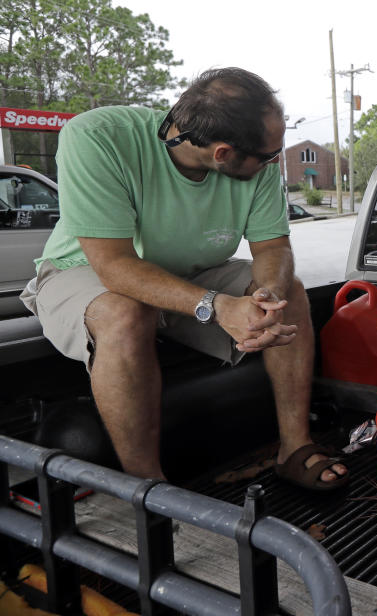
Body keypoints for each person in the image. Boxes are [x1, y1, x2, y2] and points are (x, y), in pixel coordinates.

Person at [20, 67, 348, 490]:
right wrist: (217, 306)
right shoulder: (99, 136)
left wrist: (264, 296)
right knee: (124, 314)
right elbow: (114, 266)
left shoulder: (255, 158)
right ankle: (149, 491)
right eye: (268, 156)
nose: (274, 161)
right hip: (84, 272)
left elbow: (273, 248)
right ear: (224, 154)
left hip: (193, 272)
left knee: (293, 295)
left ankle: (294, 448)